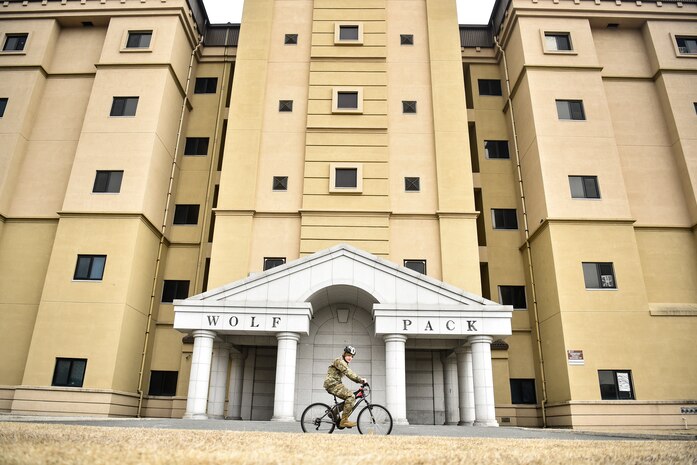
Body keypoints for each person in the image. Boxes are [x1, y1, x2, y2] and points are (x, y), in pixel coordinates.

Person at [323, 345, 367, 428]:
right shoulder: (340, 361)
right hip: (332, 384)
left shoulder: (344, 363)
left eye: (352, 356)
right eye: (348, 355)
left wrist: (360, 382)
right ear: (344, 354)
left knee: (351, 398)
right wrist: (360, 380)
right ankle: (344, 421)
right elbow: (348, 373)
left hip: (335, 384)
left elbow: (349, 372)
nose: (350, 358)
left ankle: (332, 412)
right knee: (351, 397)